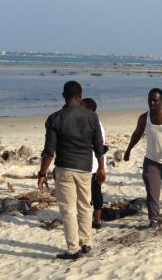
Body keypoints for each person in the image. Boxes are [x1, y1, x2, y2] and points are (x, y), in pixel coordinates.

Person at [38, 81, 106, 260]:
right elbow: (99, 147)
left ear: (63, 96)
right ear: (80, 95)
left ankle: (73, 249)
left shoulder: (55, 118)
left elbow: (49, 151)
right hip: (85, 168)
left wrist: (42, 173)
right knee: (85, 205)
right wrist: (101, 168)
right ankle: (86, 242)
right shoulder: (92, 117)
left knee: (68, 210)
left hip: (65, 168)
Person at [123, 88, 162, 229]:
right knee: (152, 191)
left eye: (155, 100)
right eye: (149, 100)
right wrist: (128, 151)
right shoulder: (144, 118)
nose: (151, 103)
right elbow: (137, 134)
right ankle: (154, 220)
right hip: (151, 161)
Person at [81, 98, 107, 230]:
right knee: (87, 196)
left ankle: (96, 220)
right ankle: (91, 220)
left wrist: (101, 168)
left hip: (94, 166)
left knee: (94, 194)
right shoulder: (83, 122)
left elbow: (99, 147)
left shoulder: (97, 125)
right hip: (85, 165)